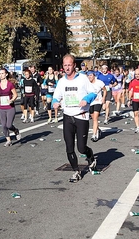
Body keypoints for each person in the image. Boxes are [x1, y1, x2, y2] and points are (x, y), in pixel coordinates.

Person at [52, 54, 99, 183]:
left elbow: (94, 92)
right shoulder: (62, 81)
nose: (67, 68)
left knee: (81, 148)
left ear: (74, 65)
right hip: (68, 117)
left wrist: (86, 99)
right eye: (65, 65)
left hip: (81, 117)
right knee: (69, 147)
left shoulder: (83, 79)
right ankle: (76, 171)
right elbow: (56, 97)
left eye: (69, 65)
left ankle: (90, 156)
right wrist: (54, 103)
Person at [0, 68, 21, 147]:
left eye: (2, 73)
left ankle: (16, 130)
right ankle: (8, 140)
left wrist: (12, 100)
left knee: (9, 125)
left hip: (10, 108)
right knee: (3, 125)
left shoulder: (10, 84)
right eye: (0, 73)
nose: (1, 75)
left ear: (6, 74)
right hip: (2, 108)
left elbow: (15, 95)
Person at [87, 71, 106, 142]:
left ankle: (94, 134)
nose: (89, 77)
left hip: (98, 102)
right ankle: (98, 129)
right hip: (90, 103)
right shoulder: (87, 84)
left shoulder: (99, 82)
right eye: (88, 76)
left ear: (94, 75)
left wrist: (103, 98)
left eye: (91, 75)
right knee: (93, 118)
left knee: (95, 118)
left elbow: (105, 90)